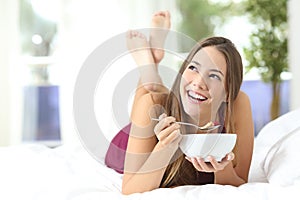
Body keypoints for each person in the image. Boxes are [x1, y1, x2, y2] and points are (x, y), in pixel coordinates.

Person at [121, 11, 254, 195]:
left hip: (175, 102)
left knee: (161, 96)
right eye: (193, 67)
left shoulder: (238, 104)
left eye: (214, 75)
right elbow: (129, 189)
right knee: (152, 99)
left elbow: (240, 181)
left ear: (228, 93)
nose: (199, 82)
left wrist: (221, 167)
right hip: (131, 140)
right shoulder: (152, 105)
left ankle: (152, 67)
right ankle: (148, 69)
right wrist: (165, 147)